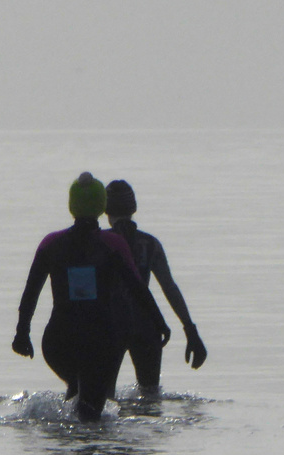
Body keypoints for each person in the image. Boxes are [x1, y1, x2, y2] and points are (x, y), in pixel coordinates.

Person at [12, 173, 169, 421]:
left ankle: (67, 446)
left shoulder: (50, 243)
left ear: (72, 205)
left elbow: (31, 292)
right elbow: (137, 289)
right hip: (101, 340)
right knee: (91, 415)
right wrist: (160, 323)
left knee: (76, 390)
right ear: (100, 206)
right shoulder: (113, 244)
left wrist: (22, 333)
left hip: (58, 342)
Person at [103, 179, 206, 393]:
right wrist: (190, 329)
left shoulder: (101, 242)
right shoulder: (150, 244)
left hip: (111, 325)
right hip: (146, 324)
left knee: (102, 396)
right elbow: (170, 288)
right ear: (134, 209)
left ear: (105, 210)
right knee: (150, 396)